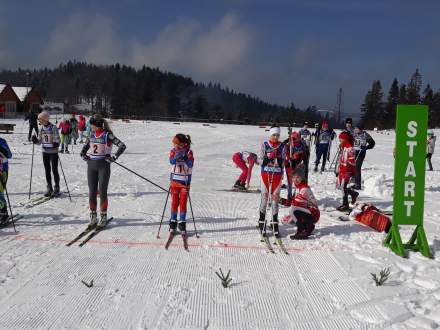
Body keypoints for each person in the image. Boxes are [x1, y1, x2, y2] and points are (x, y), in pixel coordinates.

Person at [80, 114, 126, 229]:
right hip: (91, 165)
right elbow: (84, 149)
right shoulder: (91, 135)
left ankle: (103, 216)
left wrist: (114, 157)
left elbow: (122, 146)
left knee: (102, 191)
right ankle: (93, 215)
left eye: (92, 125)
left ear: (98, 125)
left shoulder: (107, 135)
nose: (91, 127)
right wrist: (83, 155)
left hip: (103, 166)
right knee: (92, 191)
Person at [258, 126, 286, 237]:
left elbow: (284, 162)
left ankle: (274, 223)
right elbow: (259, 160)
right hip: (265, 175)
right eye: (274, 135)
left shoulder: (282, 146)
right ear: (270, 135)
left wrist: (279, 160)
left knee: (275, 200)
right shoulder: (264, 145)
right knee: (264, 199)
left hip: (277, 177)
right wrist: (267, 159)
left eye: (277, 135)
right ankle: (261, 221)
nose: (276, 137)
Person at [281, 166, 320, 239]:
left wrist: (279, 200)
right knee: (286, 218)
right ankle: (307, 226)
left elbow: (293, 204)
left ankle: (302, 231)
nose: (295, 179)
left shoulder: (304, 189)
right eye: (294, 177)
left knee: (292, 210)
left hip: (313, 214)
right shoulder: (298, 187)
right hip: (308, 211)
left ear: (302, 178)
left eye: (298, 177)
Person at [168, 134, 194, 239]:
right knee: (175, 202)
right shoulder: (173, 151)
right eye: (174, 144)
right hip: (174, 181)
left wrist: (184, 157)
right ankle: (173, 221)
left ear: (183, 144)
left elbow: (191, 164)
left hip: (185, 182)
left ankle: (182, 223)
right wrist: (176, 156)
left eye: (177, 144)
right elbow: (171, 161)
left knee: (183, 203)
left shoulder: (189, 152)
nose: (175, 146)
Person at [31, 111, 61, 197]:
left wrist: (56, 143)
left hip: (53, 152)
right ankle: (49, 187)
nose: (39, 121)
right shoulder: (41, 129)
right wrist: (35, 140)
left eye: (40, 119)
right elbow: (40, 141)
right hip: (45, 152)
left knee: (54, 170)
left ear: (45, 119)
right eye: (39, 120)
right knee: (47, 170)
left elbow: (58, 139)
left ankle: (57, 187)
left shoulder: (53, 127)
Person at [336, 131, 359, 211]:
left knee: (343, 186)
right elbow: (341, 159)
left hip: (347, 170)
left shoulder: (350, 149)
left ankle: (345, 204)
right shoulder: (344, 147)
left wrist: (348, 166)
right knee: (341, 186)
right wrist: (338, 168)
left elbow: (352, 162)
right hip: (342, 169)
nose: (340, 140)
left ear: (345, 139)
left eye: (341, 139)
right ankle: (353, 194)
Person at [352, 124, 375, 189]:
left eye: (357, 128)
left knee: (357, 168)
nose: (355, 130)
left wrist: (366, 147)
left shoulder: (365, 135)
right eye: (355, 128)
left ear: (361, 129)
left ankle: (358, 185)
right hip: (354, 153)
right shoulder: (354, 134)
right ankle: (355, 181)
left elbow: (372, 143)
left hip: (361, 153)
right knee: (353, 167)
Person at [285, 131, 306, 199]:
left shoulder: (301, 144)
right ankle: (289, 194)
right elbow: (286, 154)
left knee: (297, 180)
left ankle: (296, 194)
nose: (295, 140)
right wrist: (289, 158)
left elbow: (304, 154)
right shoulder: (289, 145)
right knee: (290, 180)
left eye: (296, 138)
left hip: (298, 164)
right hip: (289, 164)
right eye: (293, 138)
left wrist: (299, 156)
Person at [0, 137, 12, 223]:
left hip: (2, 170)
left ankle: (4, 213)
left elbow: (9, 155)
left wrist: (1, 150)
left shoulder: (2, 141)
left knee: (0, 192)